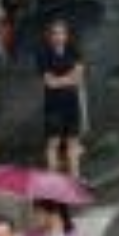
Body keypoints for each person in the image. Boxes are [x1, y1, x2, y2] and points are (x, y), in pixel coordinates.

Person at [39, 18, 87, 179]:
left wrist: (60, 80)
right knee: (53, 143)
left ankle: (75, 179)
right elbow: (49, 82)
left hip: (72, 103)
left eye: (62, 33)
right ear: (49, 36)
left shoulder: (73, 50)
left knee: (73, 142)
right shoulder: (44, 54)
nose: (58, 36)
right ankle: (53, 181)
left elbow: (79, 76)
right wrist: (69, 78)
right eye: (55, 33)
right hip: (53, 106)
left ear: (67, 35)